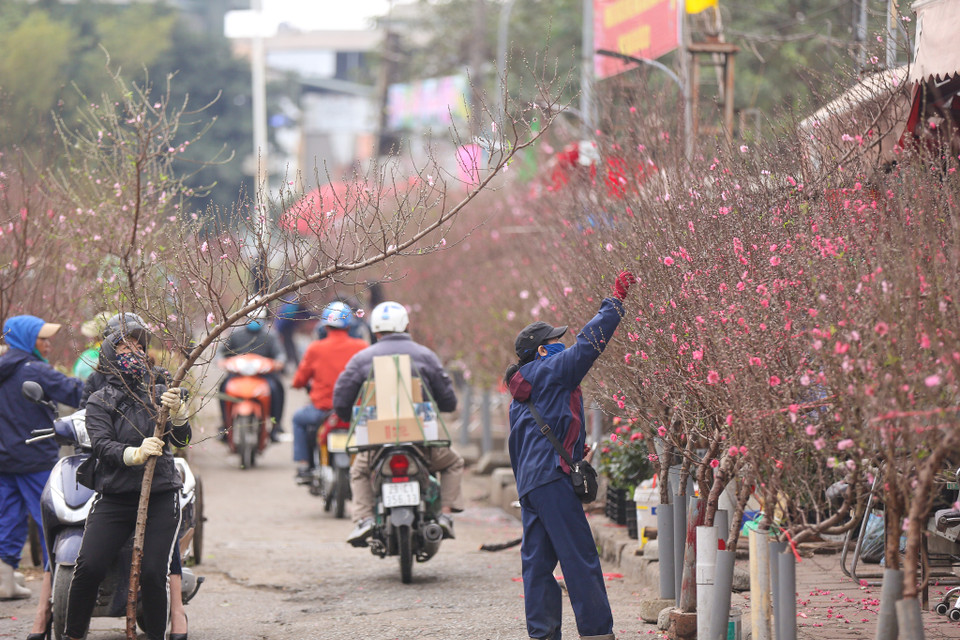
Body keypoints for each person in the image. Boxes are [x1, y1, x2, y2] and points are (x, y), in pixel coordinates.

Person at [504, 271, 634, 640]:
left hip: (531, 486)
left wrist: (573, 450)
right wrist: (615, 302)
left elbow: (521, 443)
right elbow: (588, 346)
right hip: (551, 481)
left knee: (537, 565)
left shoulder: (522, 391)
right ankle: (597, 633)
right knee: (580, 558)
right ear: (542, 350)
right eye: (555, 340)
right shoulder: (552, 368)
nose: (562, 343)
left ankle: (543, 635)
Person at [64, 321, 191, 640]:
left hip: (161, 494)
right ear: (108, 354)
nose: (132, 352)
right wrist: (133, 454)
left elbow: (182, 440)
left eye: (138, 347)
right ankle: (73, 634)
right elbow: (102, 445)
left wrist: (178, 415)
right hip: (116, 496)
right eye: (123, 347)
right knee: (89, 566)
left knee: (152, 573)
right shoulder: (100, 399)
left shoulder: (161, 391)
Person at [333, 301, 462, 546]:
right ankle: (445, 514)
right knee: (454, 462)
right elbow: (447, 400)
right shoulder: (425, 355)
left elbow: (341, 399)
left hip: (377, 441)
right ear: (406, 325)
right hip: (421, 441)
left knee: (359, 470)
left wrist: (349, 417)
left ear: (375, 330)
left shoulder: (362, 358)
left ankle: (365, 519)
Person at [0, 315, 83, 625]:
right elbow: (76, 393)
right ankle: (56, 581)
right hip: (34, 458)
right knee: (51, 520)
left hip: (4, 458)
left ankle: (5, 579)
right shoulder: (35, 370)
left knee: (8, 515)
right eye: (42, 339)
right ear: (26, 340)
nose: (48, 345)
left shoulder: (4, 367)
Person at [291, 302, 368, 479]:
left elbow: (299, 380)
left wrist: (297, 384)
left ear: (325, 325)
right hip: (354, 411)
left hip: (322, 410)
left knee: (298, 419)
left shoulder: (315, 348)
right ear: (349, 324)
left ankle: (304, 466)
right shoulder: (362, 346)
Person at [217, 301, 286, 441]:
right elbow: (221, 352)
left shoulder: (270, 335)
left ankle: (275, 426)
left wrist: (278, 363)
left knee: (277, 388)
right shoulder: (236, 334)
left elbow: (280, 355)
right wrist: (221, 361)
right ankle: (225, 425)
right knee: (223, 388)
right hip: (238, 376)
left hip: (264, 376)